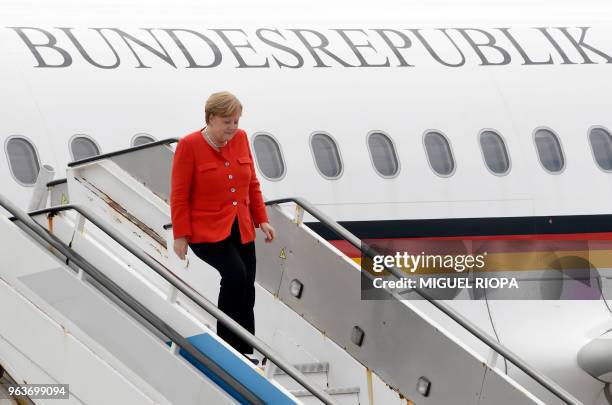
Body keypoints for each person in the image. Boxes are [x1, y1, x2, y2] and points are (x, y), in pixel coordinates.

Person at [170, 91, 275, 360]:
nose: (232, 128)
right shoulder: (189, 145)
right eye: (227, 122)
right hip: (206, 232)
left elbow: (251, 183)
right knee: (235, 276)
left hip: (240, 225)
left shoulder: (240, 139)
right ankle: (228, 346)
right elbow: (179, 194)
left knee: (247, 285)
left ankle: (246, 348)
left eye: (236, 122)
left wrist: (262, 219)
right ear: (210, 118)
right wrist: (180, 235)